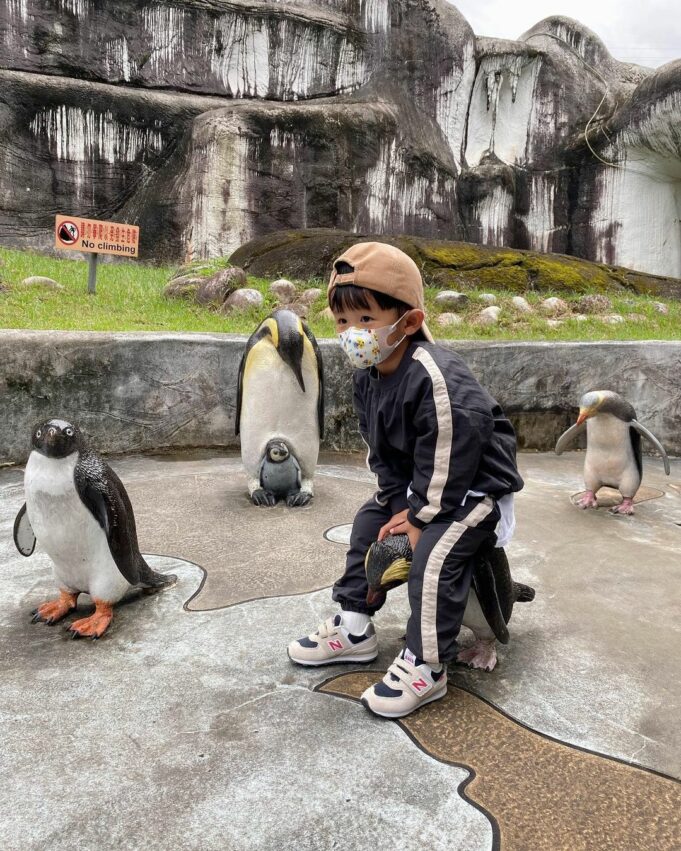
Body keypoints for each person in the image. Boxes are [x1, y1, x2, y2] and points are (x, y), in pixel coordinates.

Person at [287, 242, 524, 718]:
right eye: (342, 322)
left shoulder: (435, 378)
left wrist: (418, 519)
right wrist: (397, 504)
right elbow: (383, 453)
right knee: (366, 524)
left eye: (366, 321)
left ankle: (427, 664)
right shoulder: (368, 376)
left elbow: (453, 454)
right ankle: (354, 626)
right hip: (423, 487)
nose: (352, 334)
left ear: (409, 322)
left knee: (432, 560)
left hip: (474, 491)